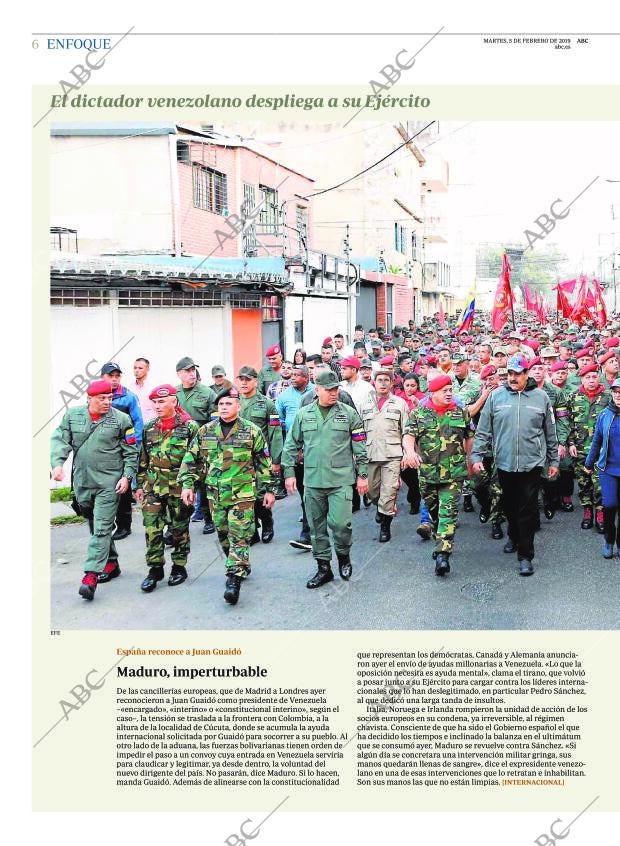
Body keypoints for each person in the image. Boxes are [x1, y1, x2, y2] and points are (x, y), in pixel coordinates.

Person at [179, 387, 276, 605]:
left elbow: (263, 461)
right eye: (221, 404)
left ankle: (233, 579)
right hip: (215, 494)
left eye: (229, 404)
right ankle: (240, 563)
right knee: (223, 533)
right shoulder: (206, 432)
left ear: (238, 406)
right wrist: (187, 485)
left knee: (239, 534)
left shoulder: (251, 431)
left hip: (242, 493)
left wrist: (269, 489)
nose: (224, 407)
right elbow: (191, 459)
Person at [471, 354, 559, 576]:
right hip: (504, 462)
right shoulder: (496, 397)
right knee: (509, 505)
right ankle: (513, 534)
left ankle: (526, 555)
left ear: (526, 374)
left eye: (517, 374)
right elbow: (483, 430)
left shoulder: (541, 398)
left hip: (532, 463)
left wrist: (553, 460)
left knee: (527, 509)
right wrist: (477, 456)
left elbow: (550, 431)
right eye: (509, 373)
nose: (512, 378)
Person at [50, 380, 139, 600]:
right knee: (93, 522)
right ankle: (111, 562)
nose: (107, 402)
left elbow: (131, 451)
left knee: (101, 527)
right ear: (89, 399)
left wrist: (127, 477)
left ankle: (90, 576)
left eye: (109, 398)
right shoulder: (73, 416)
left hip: (109, 483)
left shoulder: (121, 419)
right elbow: (60, 440)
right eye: (102, 399)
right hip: (82, 481)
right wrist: (57, 464)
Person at [282, 369, 369, 589]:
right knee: (316, 527)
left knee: (341, 524)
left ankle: (343, 557)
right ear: (317, 389)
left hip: (340, 480)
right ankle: (323, 568)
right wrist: (289, 473)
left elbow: (360, 446)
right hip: (312, 480)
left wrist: (363, 475)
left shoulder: (348, 413)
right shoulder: (304, 414)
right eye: (328, 389)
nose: (333, 393)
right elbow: (292, 444)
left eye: (336, 389)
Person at [403, 374, 474, 576]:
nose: (449, 393)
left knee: (448, 512)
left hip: (454, 473)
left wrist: (470, 460)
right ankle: (440, 535)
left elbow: (470, 437)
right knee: (435, 511)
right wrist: (409, 452)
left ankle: (443, 554)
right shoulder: (419, 414)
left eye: (451, 390)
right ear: (433, 393)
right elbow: (408, 436)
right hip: (427, 473)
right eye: (445, 390)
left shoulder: (461, 413)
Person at [135, 385, 200, 592]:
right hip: (153, 487)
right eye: (154, 402)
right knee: (152, 529)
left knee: (179, 529)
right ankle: (155, 568)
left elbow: (198, 461)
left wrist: (192, 486)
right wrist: (140, 484)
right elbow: (143, 459)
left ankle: (179, 567)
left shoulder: (190, 428)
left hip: (179, 488)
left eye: (162, 401)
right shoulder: (150, 427)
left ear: (174, 401)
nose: (157, 405)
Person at [360, 370, 409, 542]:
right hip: (370, 454)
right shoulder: (364, 404)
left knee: (389, 491)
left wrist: (407, 453)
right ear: (374, 382)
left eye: (386, 380)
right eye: (379, 380)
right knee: (372, 492)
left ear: (391, 383)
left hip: (393, 455)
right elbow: (358, 433)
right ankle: (380, 508)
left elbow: (406, 431)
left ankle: (385, 527)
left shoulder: (400, 404)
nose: (382, 383)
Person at [237, 365, 283, 544]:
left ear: (256, 381)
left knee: (260, 493)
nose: (244, 383)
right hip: (238, 458)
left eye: (248, 380)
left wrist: (275, 459)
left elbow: (275, 433)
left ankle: (267, 522)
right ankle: (252, 529)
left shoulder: (267, 404)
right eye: (241, 379)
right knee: (243, 495)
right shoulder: (232, 402)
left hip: (260, 457)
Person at [100, 362, 144, 541]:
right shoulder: (97, 395)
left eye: (117, 375)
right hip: (103, 448)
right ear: (103, 376)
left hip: (122, 449)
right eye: (111, 375)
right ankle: (105, 522)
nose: (115, 378)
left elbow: (138, 423)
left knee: (123, 487)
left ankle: (124, 525)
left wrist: (134, 447)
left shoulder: (128, 397)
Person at [175, 356, 218, 533]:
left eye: (194, 370)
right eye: (188, 371)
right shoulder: (174, 393)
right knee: (179, 481)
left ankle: (209, 517)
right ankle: (178, 523)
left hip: (201, 443)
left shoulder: (207, 393)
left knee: (204, 482)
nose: (192, 374)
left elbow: (215, 421)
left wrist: (210, 446)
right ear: (179, 374)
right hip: (179, 443)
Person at [567, 363, 610, 531]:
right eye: (587, 377)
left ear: (599, 377)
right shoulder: (572, 397)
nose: (591, 380)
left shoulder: (607, 397)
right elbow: (567, 423)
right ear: (581, 379)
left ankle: (600, 514)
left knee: (600, 483)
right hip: (579, 449)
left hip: (601, 450)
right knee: (584, 483)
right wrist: (570, 442)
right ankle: (587, 512)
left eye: (594, 377)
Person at [585, 378, 620, 558]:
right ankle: (608, 539)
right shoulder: (605, 415)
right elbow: (597, 440)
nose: (618, 394)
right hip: (608, 469)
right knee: (609, 505)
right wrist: (589, 463)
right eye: (615, 391)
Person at [130, 357, 157, 424]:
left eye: (140, 368)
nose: (136, 370)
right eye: (135, 368)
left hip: (151, 426)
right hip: (134, 426)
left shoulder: (154, 387)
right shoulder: (129, 388)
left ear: (147, 369)